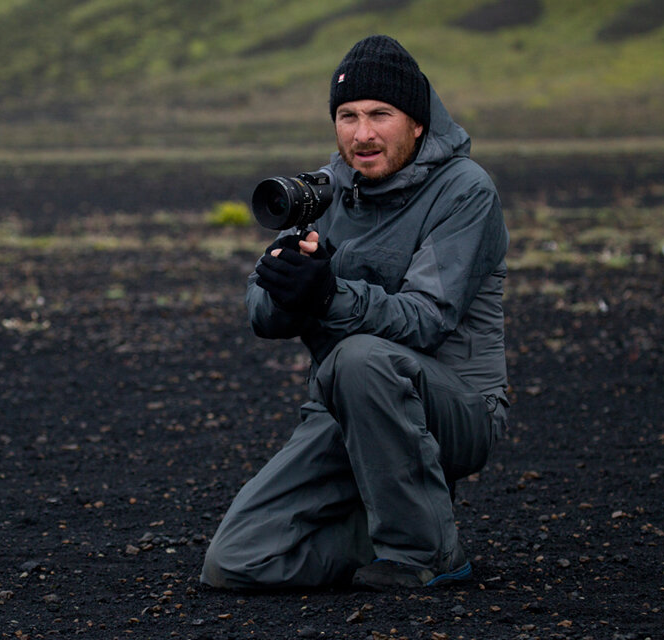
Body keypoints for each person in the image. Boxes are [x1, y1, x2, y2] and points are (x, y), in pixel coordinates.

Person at [201, 35, 509, 590]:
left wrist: (327, 295)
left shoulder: (466, 191)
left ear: (418, 122)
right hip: (346, 408)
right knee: (235, 563)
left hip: (455, 407)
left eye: (379, 114)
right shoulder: (324, 191)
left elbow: (427, 319)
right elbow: (262, 317)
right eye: (348, 116)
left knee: (360, 358)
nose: (362, 134)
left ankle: (427, 553)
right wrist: (287, 289)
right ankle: (390, 519)